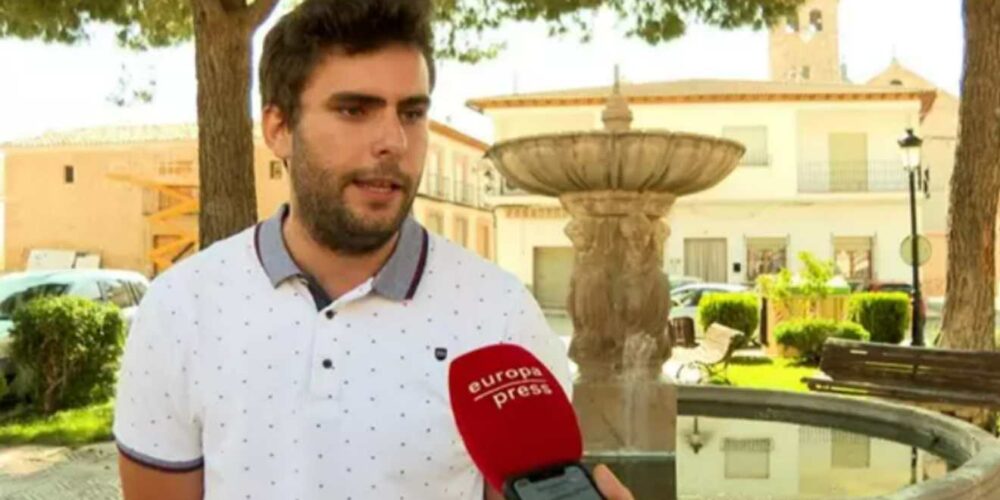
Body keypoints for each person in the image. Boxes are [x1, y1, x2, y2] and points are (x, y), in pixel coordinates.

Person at [112, 1, 634, 499]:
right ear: (278, 128)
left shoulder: (500, 315)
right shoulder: (181, 307)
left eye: (411, 113)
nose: (393, 141)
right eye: (354, 110)